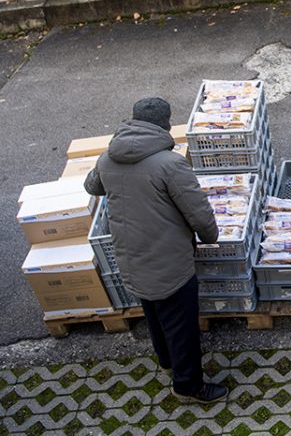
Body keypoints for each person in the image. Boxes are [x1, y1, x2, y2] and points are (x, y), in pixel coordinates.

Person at [84, 98, 227, 403]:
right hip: (169, 262)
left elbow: (92, 187)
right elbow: (197, 211)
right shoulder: (170, 163)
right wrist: (210, 235)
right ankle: (188, 386)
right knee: (181, 325)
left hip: (130, 257)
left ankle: (167, 362)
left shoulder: (108, 158)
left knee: (154, 314)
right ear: (164, 124)